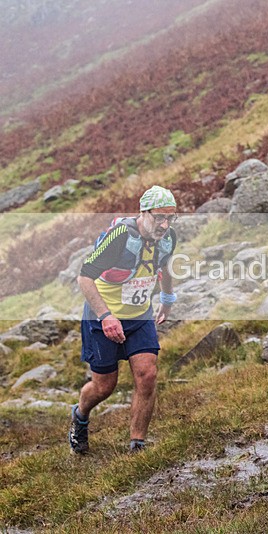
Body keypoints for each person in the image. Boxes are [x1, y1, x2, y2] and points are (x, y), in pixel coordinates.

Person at [69, 185, 179, 454]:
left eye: (170, 218)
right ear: (143, 212)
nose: (164, 225)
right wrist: (106, 316)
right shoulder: (120, 236)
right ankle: (80, 416)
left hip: (139, 316)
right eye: (159, 217)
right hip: (102, 317)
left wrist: (167, 299)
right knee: (104, 386)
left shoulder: (168, 237)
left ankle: (137, 444)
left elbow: (164, 266)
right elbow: (84, 277)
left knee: (147, 375)